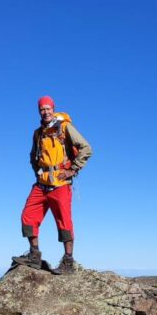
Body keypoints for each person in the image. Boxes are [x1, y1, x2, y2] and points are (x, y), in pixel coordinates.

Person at [12, 95, 92, 274]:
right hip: (42, 184)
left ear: (53, 109)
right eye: (42, 109)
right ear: (39, 111)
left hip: (61, 183)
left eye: (48, 108)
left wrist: (72, 170)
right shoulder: (38, 133)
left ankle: (68, 261)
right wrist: (38, 172)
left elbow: (86, 148)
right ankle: (34, 255)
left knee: (64, 221)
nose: (45, 111)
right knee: (28, 216)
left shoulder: (64, 127)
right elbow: (33, 156)